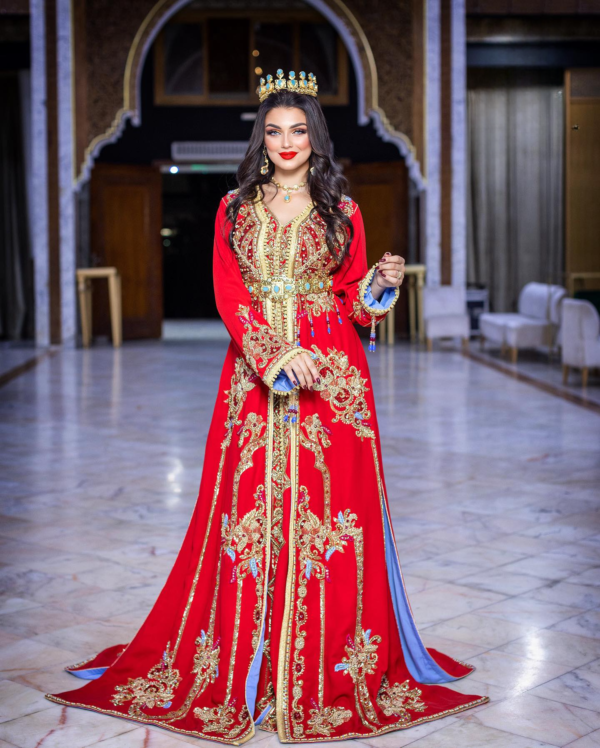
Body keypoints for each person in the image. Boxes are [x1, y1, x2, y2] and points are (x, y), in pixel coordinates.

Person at [46, 69, 488, 744]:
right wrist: (275, 354)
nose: (287, 143)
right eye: (275, 131)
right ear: (262, 137)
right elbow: (230, 294)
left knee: (331, 522)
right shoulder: (234, 209)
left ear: (316, 136)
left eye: (299, 130)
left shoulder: (345, 211)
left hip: (334, 382)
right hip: (254, 379)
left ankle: (323, 666)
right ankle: (247, 665)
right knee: (245, 518)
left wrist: (379, 285)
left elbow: (354, 304)